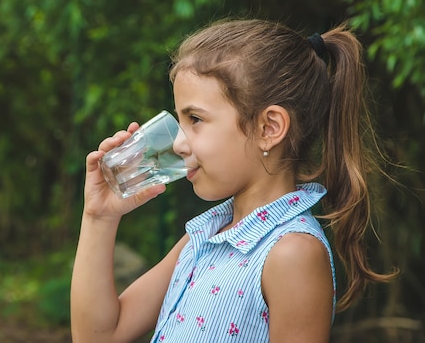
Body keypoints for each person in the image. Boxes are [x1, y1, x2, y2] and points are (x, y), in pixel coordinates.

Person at [70, 19, 397, 342]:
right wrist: (99, 217)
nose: (179, 144)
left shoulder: (291, 253)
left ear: (268, 129)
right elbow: (99, 336)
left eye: (195, 119)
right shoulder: (204, 238)